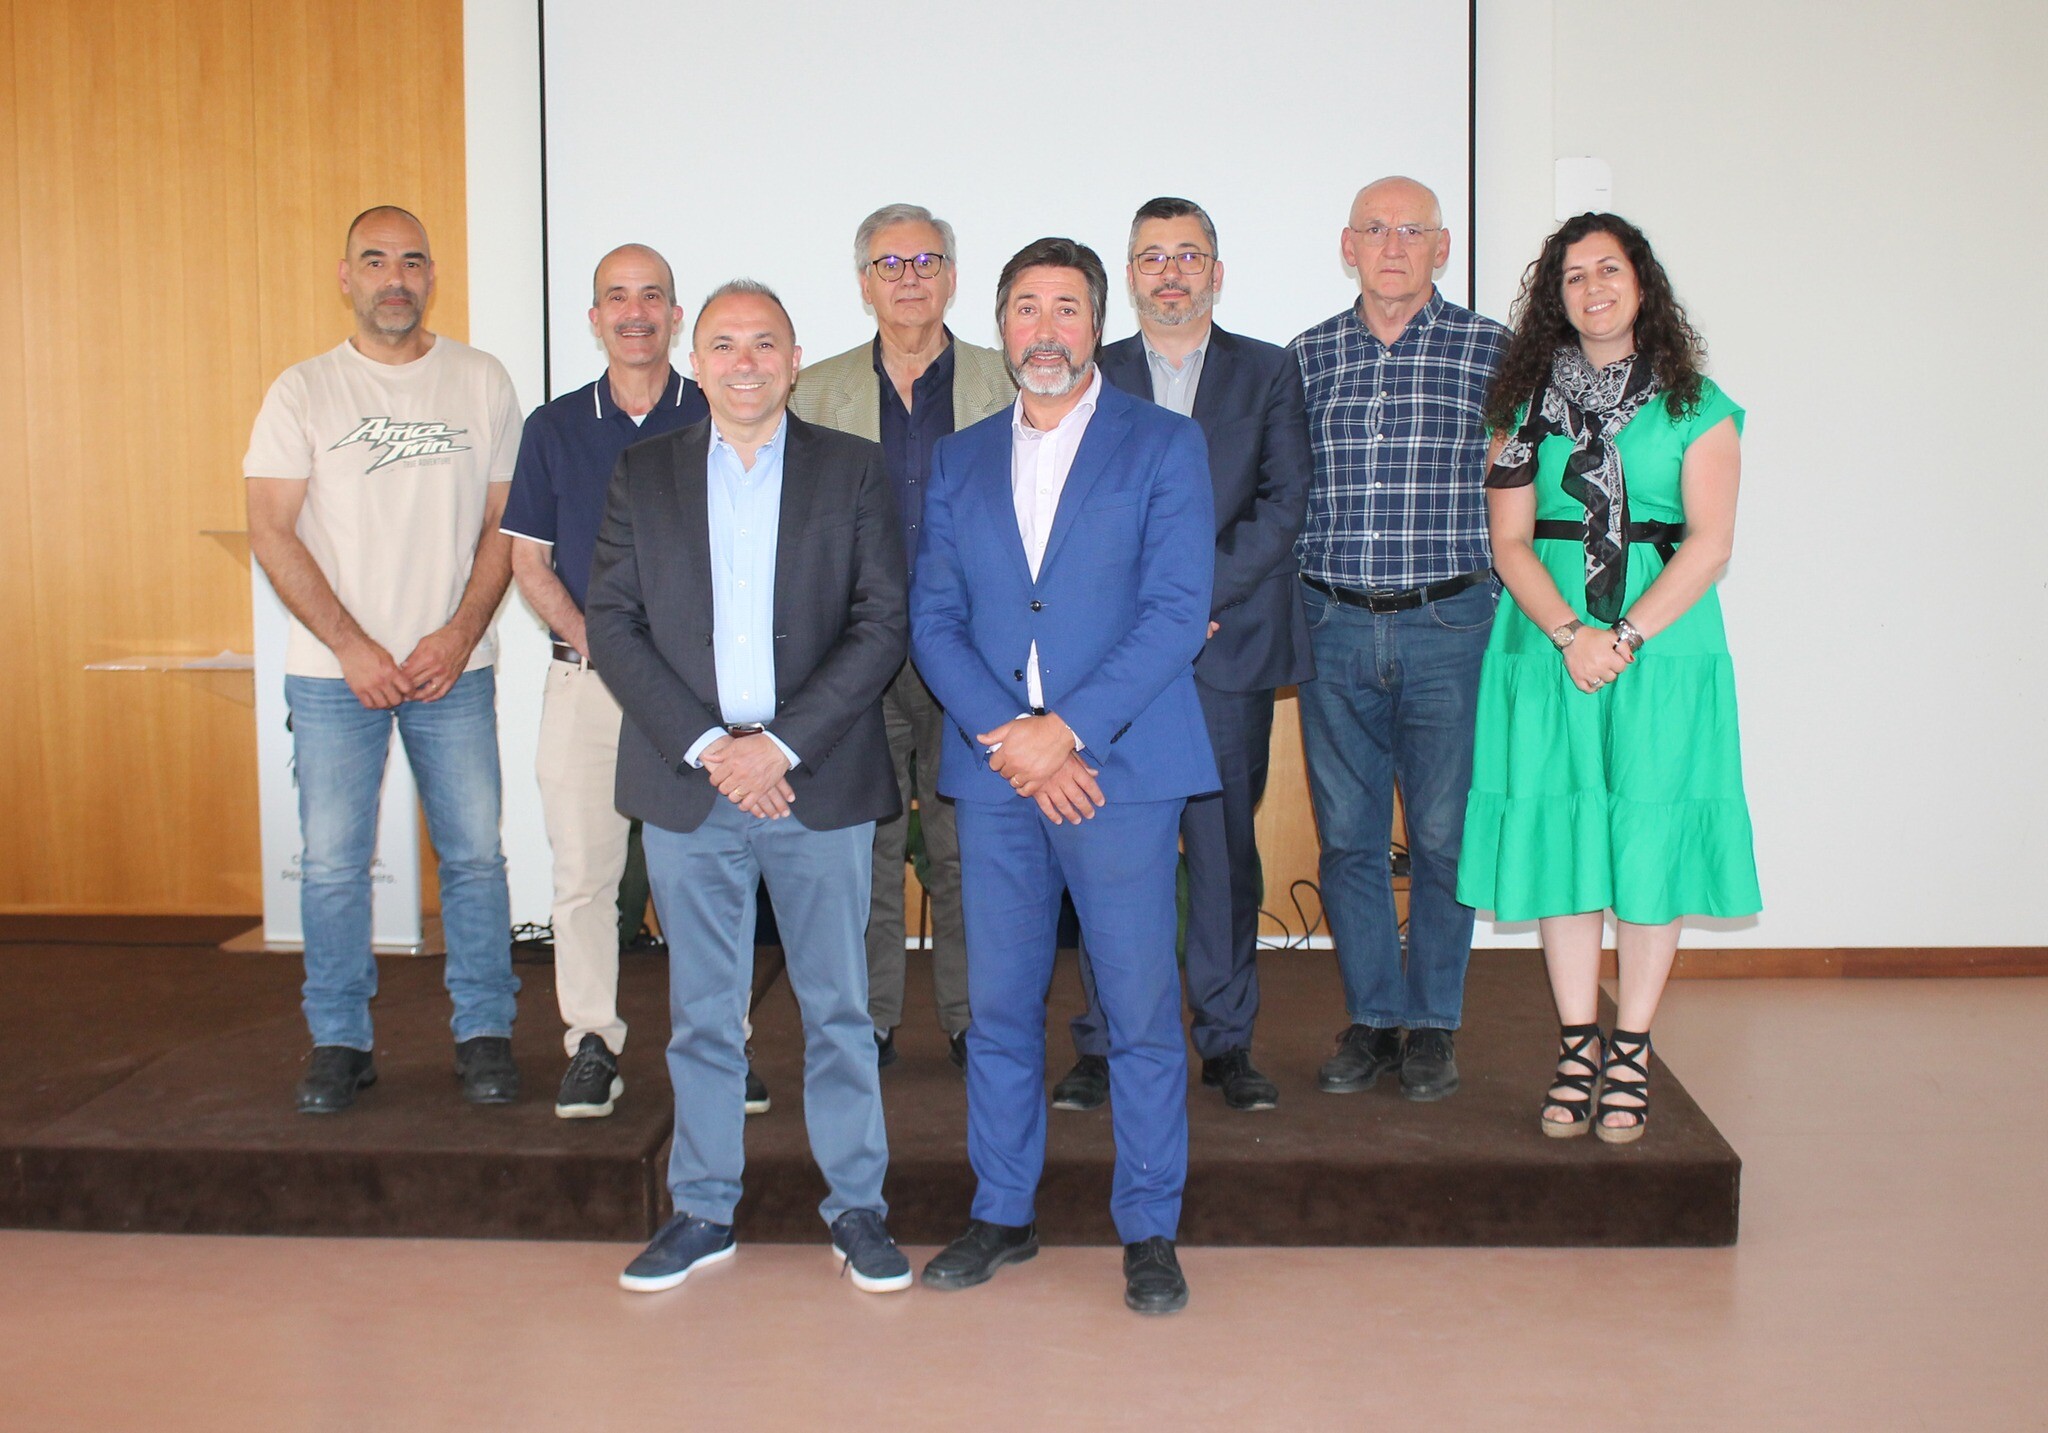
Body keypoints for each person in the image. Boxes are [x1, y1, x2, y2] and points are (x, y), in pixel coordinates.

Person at [586, 280, 913, 1294]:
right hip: (690, 783)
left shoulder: (852, 469)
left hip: (815, 779)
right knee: (701, 1013)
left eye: (764, 343)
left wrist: (779, 746)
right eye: (723, 344)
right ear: (696, 362)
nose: (744, 362)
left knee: (840, 1011)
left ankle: (857, 1207)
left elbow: (881, 622)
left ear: (795, 358)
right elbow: (613, 623)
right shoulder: (642, 472)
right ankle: (701, 1209)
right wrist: (708, 747)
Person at [911, 238, 1217, 1315]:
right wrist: (1012, 737)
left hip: (1120, 770)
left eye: (1068, 309)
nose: (1047, 330)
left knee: (1137, 1009)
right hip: (997, 773)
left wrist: (1069, 732)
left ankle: (1149, 1225)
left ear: (1099, 323)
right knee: (998, 1008)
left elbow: (1175, 611)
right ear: (1002, 326)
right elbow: (933, 619)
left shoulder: (1163, 443)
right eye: (1027, 308)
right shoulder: (957, 459)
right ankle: (1002, 1210)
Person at [1457, 212, 1759, 1142]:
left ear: (1642, 283)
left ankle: (1632, 1047)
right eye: (1574, 275)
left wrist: (1620, 636)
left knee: (1650, 833)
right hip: (1547, 642)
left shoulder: (1697, 404)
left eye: (1609, 269)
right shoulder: (1520, 408)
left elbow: (1710, 544)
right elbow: (1509, 540)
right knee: (1564, 834)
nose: (1593, 287)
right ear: (1556, 297)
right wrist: (1569, 634)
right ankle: (1576, 1043)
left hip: (1663, 648)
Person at [245, 205, 523, 1115]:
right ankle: (339, 1042)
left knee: (474, 858)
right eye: (374, 261)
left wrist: (459, 632)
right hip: (335, 678)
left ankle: (484, 1033)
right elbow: (270, 529)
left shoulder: (481, 380)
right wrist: (351, 645)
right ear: (346, 277)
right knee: (332, 865)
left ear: (431, 275)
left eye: (410, 261)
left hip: (455, 669)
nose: (394, 278)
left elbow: (506, 523)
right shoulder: (302, 390)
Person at [1051, 197, 1312, 1115]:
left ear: (1217, 271)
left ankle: (1227, 1040)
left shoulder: (1269, 371)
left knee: (1221, 855)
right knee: (1109, 856)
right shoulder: (1092, 373)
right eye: (1153, 256)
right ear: (1129, 275)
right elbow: (1068, 507)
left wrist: (1187, 604)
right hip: (1111, 662)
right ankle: (1102, 1040)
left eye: (1189, 254)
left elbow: (1283, 504)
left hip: (1222, 650)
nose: (1171, 272)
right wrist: (1146, 618)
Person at [1289, 176, 1508, 1103]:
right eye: (1374, 230)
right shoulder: (1306, 357)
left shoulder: (1494, 352)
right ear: (1348, 247)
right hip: (1333, 624)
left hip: (1449, 625)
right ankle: (1375, 1016)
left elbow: (1522, 491)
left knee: (1445, 835)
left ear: (1441, 247)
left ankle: (1434, 1022)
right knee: (1347, 838)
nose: (1392, 246)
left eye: (1411, 231)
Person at [790, 203, 1014, 1071]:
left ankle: (971, 1019)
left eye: (926, 262)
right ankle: (870, 1018)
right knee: (867, 848)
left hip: (976, 654)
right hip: (857, 654)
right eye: (891, 264)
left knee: (967, 847)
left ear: (952, 277)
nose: (909, 277)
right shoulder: (817, 392)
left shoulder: (1006, 380)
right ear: (864, 283)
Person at [503, 244, 710, 1119]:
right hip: (585, 682)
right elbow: (529, 561)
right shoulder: (553, 427)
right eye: (617, 298)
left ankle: (723, 1044)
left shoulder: (717, 409)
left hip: (697, 693)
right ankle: (591, 1040)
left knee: (702, 875)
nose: (635, 312)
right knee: (584, 876)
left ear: (675, 315)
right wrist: (607, 646)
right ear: (594, 318)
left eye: (651, 296)